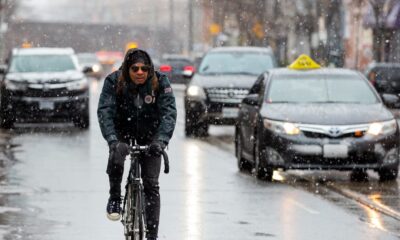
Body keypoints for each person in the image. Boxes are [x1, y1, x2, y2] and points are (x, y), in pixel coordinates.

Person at [97, 48, 177, 240]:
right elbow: (105, 112)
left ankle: (151, 236)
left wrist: (161, 141)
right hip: (122, 133)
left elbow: (169, 114)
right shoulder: (113, 81)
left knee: (151, 185)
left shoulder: (160, 82)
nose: (140, 72)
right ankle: (115, 197)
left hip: (151, 136)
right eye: (135, 68)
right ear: (127, 69)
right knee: (117, 156)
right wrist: (113, 140)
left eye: (144, 68)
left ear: (150, 70)